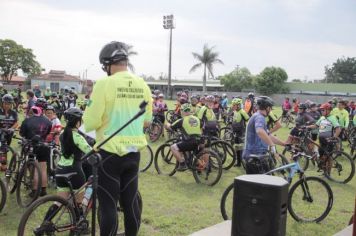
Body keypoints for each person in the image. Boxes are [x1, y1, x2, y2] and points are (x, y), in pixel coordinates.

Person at [83, 41, 152, 236]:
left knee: (108, 206)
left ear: (107, 64)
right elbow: (147, 121)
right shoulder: (143, 85)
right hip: (133, 155)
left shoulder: (104, 84)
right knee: (130, 203)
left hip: (108, 154)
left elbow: (90, 122)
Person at [41, 108, 92, 225]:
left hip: (60, 171)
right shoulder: (77, 136)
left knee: (59, 202)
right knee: (78, 202)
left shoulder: (63, 134)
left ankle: (45, 224)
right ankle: (79, 225)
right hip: (74, 171)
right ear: (77, 122)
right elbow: (90, 151)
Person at [242, 96, 286, 174]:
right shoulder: (259, 117)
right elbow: (260, 131)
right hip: (254, 156)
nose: (271, 110)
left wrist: (284, 144)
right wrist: (272, 145)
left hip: (258, 155)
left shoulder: (258, 116)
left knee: (265, 180)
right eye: (271, 107)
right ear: (267, 107)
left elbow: (268, 135)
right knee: (261, 184)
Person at [20, 106, 52, 196]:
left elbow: (22, 133)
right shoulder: (48, 121)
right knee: (43, 168)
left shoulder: (27, 120)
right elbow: (48, 132)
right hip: (43, 145)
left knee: (35, 169)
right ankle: (43, 190)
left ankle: (34, 190)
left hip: (32, 146)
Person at [166, 103, 202, 171]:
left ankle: (182, 164)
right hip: (199, 140)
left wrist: (167, 125)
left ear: (182, 111)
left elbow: (171, 127)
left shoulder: (182, 120)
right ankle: (193, 164)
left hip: (190, 141)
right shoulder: (197, 119)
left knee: (173, 147)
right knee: (188, 149)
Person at [0, 94, 18, 171]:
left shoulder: (14, 113)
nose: (7, 105)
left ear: (11, 104)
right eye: (5, 103)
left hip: (8, 134)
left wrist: (12, 128)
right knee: (2, 149)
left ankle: (3, 163)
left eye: (9, 104)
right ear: (2, 103)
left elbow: (16, 123)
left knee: (5, 149)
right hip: (0, 132)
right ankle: (3, 164)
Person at [230, 98, 249, 166]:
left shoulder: (242, 112)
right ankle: (238, 163)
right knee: (237, 147)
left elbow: (248, 120)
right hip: (236, 132)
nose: (233, 106)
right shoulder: (235, 111)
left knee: (241, 148)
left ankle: (245, 162)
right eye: (233, 105)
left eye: (234, 105)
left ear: (238, 105)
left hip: (241, 132)